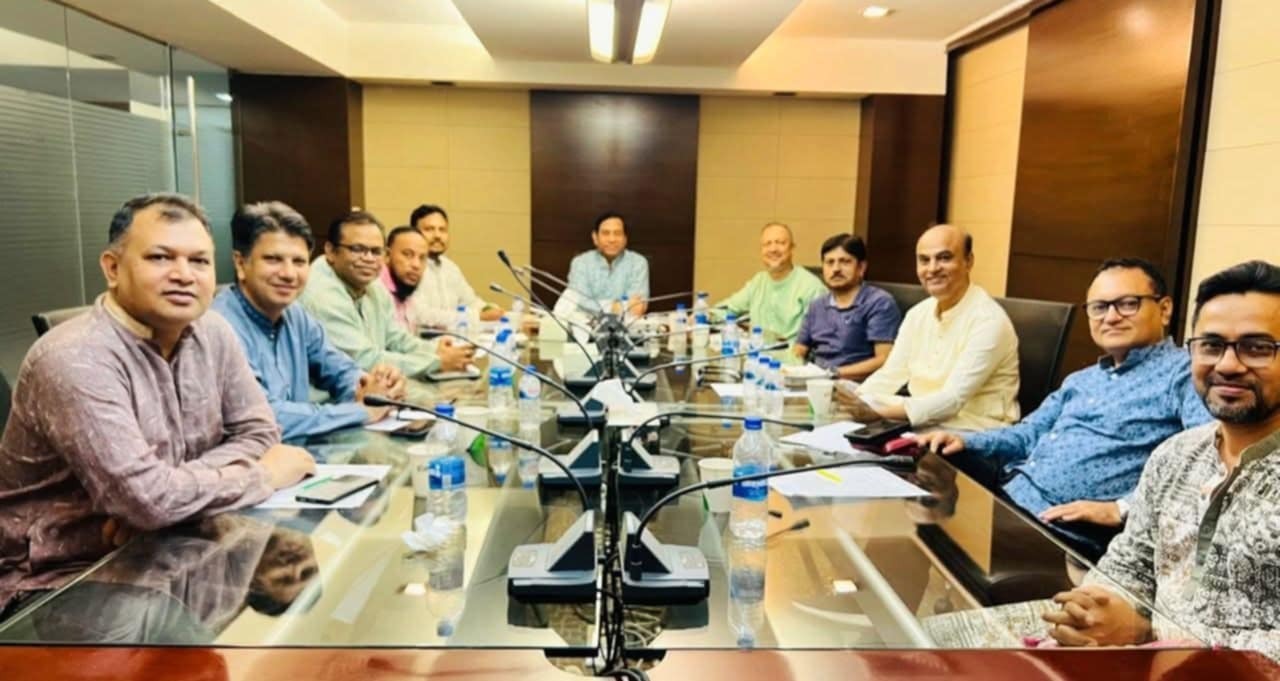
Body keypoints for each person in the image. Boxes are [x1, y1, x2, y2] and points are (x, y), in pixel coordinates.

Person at [0, 193, 315, 618]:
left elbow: (259, 432)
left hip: (172, 547)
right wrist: (264, 475)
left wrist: (164, 498)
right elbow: (148, 500)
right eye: (160, 257)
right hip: (63, 580)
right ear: (112, 268)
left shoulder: (213, 332)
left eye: (199, 261)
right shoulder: (75, 357)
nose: (184, 275)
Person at [1043, 260, 1280, 659]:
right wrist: (1096, 609)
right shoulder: (1175, 455)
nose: (1227, 365)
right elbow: (1129, 562)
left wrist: (1151, 632)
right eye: (1211, 345)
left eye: (1257, 348)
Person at [915, 258, 1212, 558]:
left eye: (1127, 304)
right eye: (1099, 307)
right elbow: (1027, 435)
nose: (1110, 317)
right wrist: (964, 439)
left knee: (923, 543)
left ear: (1164, 309)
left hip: (1063, 532)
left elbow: (1209, 460)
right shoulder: (1082, 379)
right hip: (1007, 496)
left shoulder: (1184, 374)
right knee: (914, 504)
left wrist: (1123, 508)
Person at [212, 202, 407, 440]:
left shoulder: (295, 315)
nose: (288, 274)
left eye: (299, 262)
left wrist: (376, 387)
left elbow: (339, 370)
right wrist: (360, 412)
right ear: (240, 263)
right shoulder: (219, 326)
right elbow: (263, 415)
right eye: (273, 259)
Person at [838, 224, 1020, 431]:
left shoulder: (989, 320)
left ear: (968, 261)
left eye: (944, 258)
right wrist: (854, 402)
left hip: (974, 432)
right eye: (924, 260)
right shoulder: (918, 313)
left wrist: (876, 414)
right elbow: (891, 374)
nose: (932, 269)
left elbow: (952, 399)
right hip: (920, 424)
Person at [299, 210, 473, 378]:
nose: (368, 258)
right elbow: (364, 360)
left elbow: (394, 337)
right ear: (331, 251)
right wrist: (436, 362)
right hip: (330, 395)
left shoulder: (372, 284)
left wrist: (434, 350)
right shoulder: (321, 295)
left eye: (376, 252)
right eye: (357, 249)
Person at [792, 233, 901, 380]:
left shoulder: (879, 302)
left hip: (857, 385)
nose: (836, 269)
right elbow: (799, 349)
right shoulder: (817, 305)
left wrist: (832, 373)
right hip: (816, 382)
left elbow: (884, 360)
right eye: (830, 262)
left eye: (845, 262)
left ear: (861, 268)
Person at [717, 222, 826, 340]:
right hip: (757, 349)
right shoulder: (758, 281)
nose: (773, 249)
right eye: (767, 244)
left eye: (780, 243)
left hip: (792, 351)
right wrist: (706, 315)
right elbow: (728, 309)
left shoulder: (811, 287)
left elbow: (821, 336)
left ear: (792, 249)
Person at [404, 205, 503, 328]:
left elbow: (470, 301)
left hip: (454, 335)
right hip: (421, 337)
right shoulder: (409, 267)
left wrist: (489, 309)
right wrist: (476, 316)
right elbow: (421, 315)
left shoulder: (450, 267)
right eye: (429, 229)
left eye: (442, 230)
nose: (437, 235)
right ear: (414, 233)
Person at [561, 211, 649, 318]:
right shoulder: (580, 263)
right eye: (606, 233)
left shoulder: (638, 263)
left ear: (625, 238)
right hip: (585, 325)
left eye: (618, 233)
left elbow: (636, 308)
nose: (612, 239)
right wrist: (614, 307)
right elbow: (578, 302)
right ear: (595, 237)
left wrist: (598, 306)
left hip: (625, 326)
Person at [378, 225, 430, 332]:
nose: (416, 265)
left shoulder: (405, 288)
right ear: (387, 255)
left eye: (422, 258)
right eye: (408, 255)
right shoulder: (375, 291)